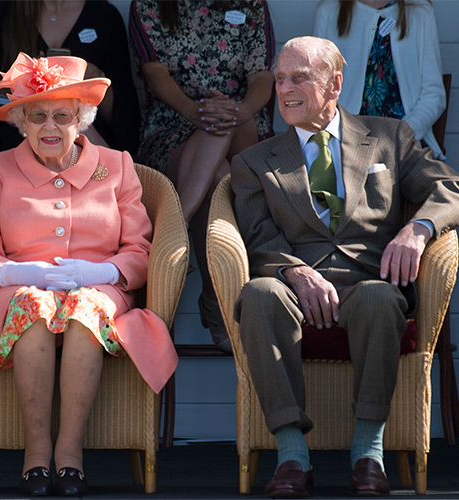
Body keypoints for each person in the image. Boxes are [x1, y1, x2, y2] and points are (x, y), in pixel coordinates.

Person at [231, 36, 459, 498]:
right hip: (296, 285)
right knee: (257, 294)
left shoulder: (390, 137)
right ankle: (292, 454)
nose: (285, 89)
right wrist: (295, 272)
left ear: (335, 83)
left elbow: (449, 189)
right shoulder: (254, 161)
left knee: (380, 296)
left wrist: (417, 230)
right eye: (279, 79)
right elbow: (257, 237)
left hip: (370, 283)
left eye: (299, 77)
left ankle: (368, 452)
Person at [0, 53, 177, 497]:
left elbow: (140, 249)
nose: (50, 127)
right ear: (21, 121)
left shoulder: (116, 166)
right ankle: (36, 456)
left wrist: (101, 270)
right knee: (33, 305)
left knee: (86, 307)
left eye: (63, 115)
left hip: (101, 291)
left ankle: (70, 456)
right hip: (19, 291)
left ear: (83, 118)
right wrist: (17, 271)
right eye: (37, 116)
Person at [129, 0, 275, 352]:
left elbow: (262, 78)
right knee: (218, 173)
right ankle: (218, 301)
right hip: (173, 128)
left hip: (243, 125)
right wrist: (194, 110)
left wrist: (236, 111)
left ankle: (171, 235)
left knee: (222, 126)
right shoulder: (149, 4)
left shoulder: (250, 4)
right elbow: (154, 72)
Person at [0, 0, 141, 156]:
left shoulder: (105, 17)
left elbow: (128, 125)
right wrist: (19, 83)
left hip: (83, 149)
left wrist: (93, 81)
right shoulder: (1, 11)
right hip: (13, 149)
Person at [314, 0, 446, 160]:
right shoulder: (329, 11)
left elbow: (433, 95)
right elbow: (318, 90)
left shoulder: (420, 11)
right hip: (346, 141)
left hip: (408, 141)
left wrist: (404, 133)